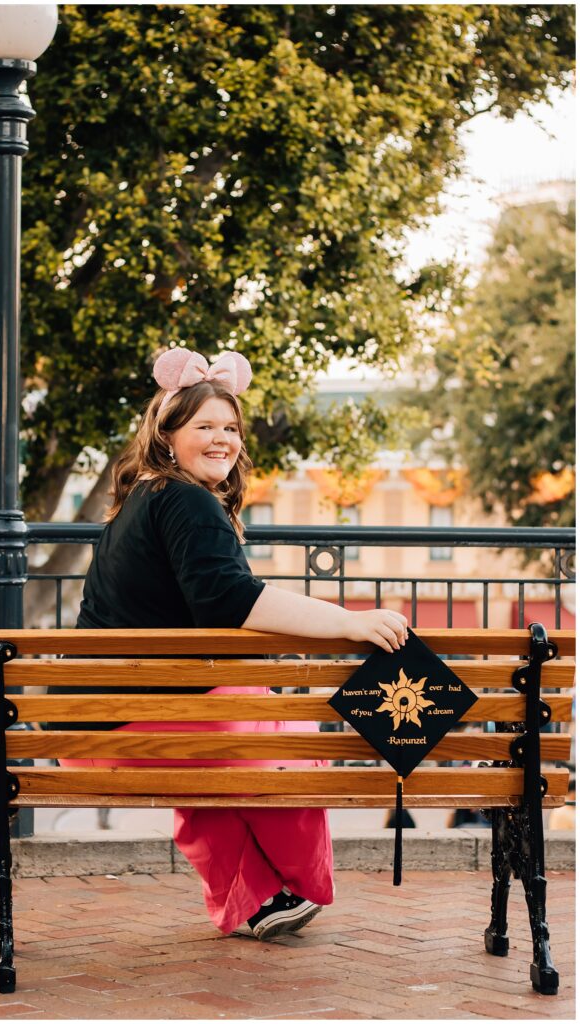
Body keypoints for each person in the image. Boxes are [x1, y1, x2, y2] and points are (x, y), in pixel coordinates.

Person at [60, 347, 408, 940]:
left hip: (89, 726)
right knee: (287, 733)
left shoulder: (136, 502)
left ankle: (257, 901)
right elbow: (229, 598)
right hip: (141, 721)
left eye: (230, 428)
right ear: (167, 435)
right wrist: (349, 621)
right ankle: (296, 880)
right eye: (205, 427)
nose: (223, 439)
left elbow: (197, 605)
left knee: (219, 736)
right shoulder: (187, 501)